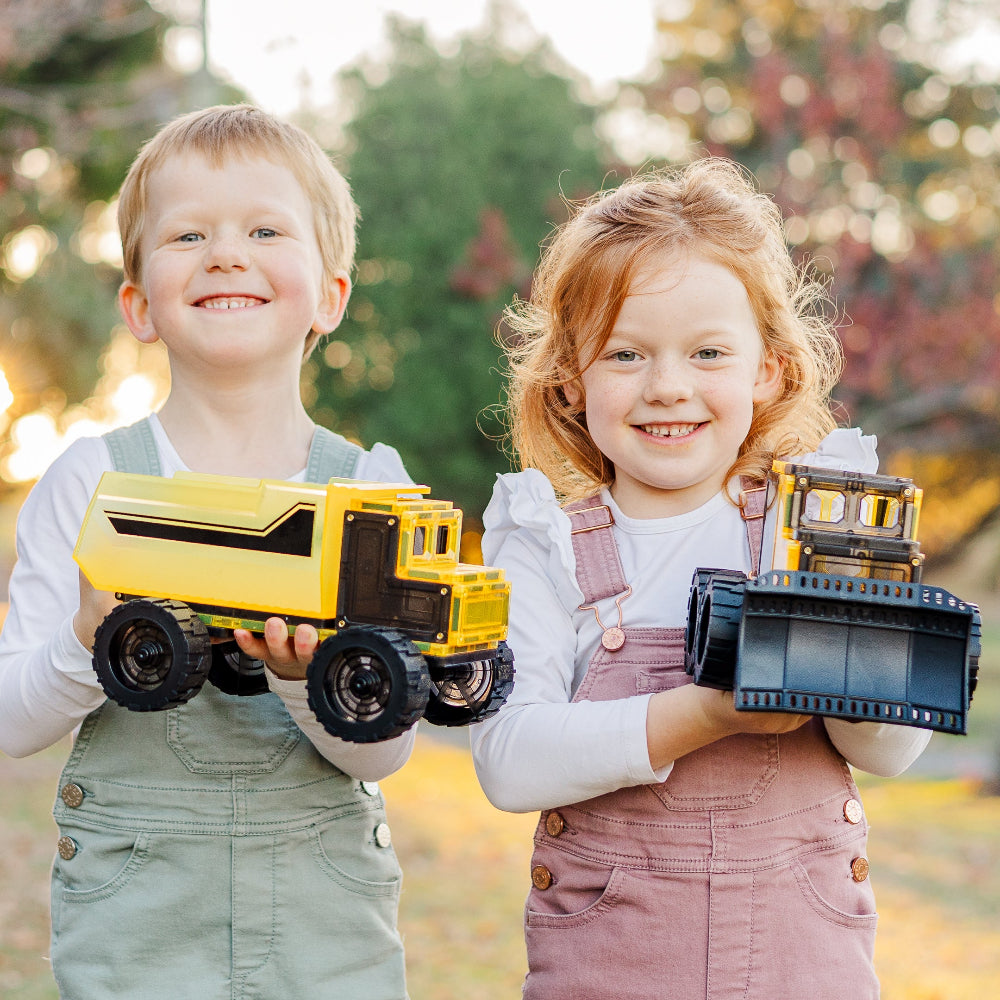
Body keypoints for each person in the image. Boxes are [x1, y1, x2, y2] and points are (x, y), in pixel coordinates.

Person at [471, 157, 932, 1000]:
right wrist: (706, 713)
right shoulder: (545, 543)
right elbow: (509, 758)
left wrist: (849, 670)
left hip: (804, 970)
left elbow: (896, 750)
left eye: (708, 351)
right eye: (626, 354)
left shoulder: (817, 523)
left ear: (770, 369)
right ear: (571, 379)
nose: (667, 386)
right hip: (612, 973)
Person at [0, 104, 413, 1000]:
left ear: (331, 296)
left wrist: (313, 684)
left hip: (325, 926)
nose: (227, 253)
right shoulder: (88, 480)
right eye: (189, 234)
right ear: (140, 305)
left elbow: (384, 755)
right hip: (137, 920)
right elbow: (11, 721)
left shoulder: (370, 488)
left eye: (265, 229)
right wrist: (84, 642)